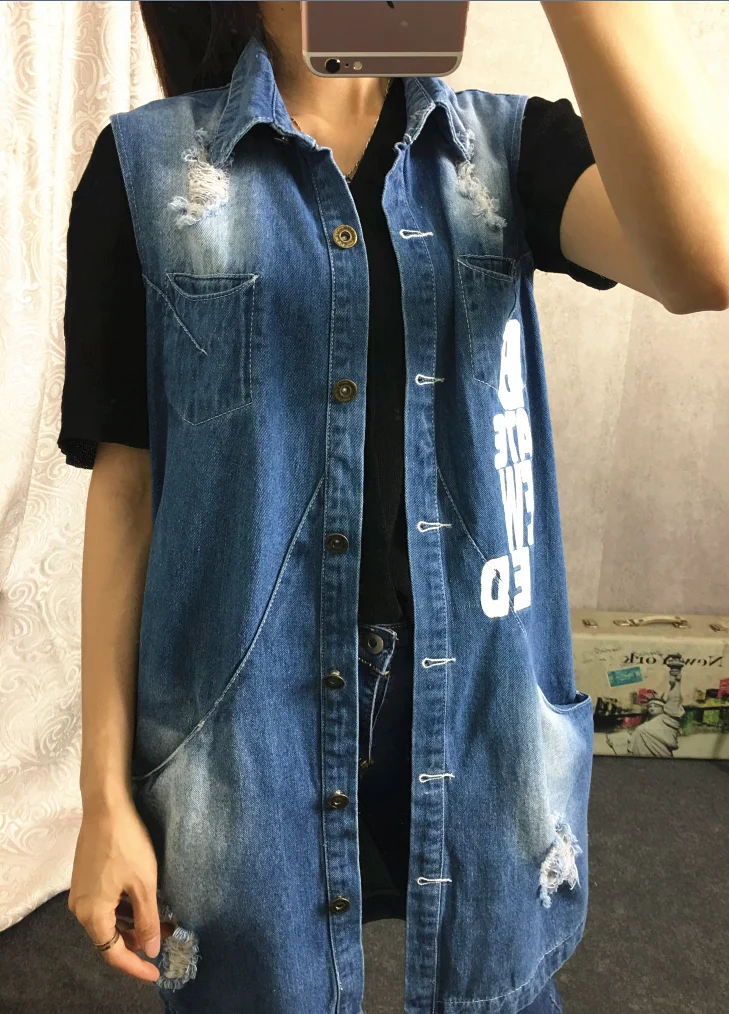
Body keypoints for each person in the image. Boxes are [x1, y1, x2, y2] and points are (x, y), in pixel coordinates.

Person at [58, 3, 722, 1012]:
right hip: (245, 727)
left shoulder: (506, 154)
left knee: (495, 988)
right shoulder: (147, 171)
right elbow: (126, 490)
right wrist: (99, 790)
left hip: (477, 701)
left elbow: (705, 261)